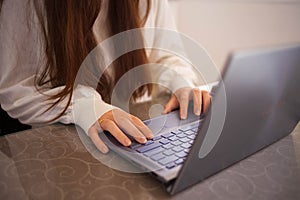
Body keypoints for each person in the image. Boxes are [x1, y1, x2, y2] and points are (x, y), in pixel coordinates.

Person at [0, 0, 210, 153]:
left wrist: (181, 83)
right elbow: (16, 89)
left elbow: (164, 55)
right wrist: (87, 106)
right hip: (64, 148)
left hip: (139, 135)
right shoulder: (26, 6)